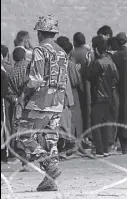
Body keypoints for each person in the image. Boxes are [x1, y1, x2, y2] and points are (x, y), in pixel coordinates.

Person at [14, 15, 67, 191]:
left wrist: (24, 96)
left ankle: (49, 164)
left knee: (23, 133)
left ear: (40, 33)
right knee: (51, 138)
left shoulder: (40, 50)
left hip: (42, 100)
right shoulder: (62, 52)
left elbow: (35, 79)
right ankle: (50, 180)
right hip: (58, 100)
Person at [88, 36, 119, 157]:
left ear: (95, 49)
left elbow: (90, 77)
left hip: (99, 96)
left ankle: (99, 150)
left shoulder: (98, 63)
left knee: (96, 123)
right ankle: (106, 149)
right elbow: (116, 78)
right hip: (109, 97)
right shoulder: (110, 61)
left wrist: (87, 65)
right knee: (105, 123)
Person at [56, 36, 84, 155]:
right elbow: (73, 81)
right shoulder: (68, 64)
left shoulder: (56, 62)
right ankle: (67, 148)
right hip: (67, 98)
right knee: (68, 123)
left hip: (60, 98)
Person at [71, 32, 93, 148]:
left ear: (74, 42)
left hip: (80, 86)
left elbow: (73, 68)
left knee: (82, 111)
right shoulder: (89, 52)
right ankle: (90, 136)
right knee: (89, 110)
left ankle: (83, 137)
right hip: (91, 84)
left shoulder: (73, 53)